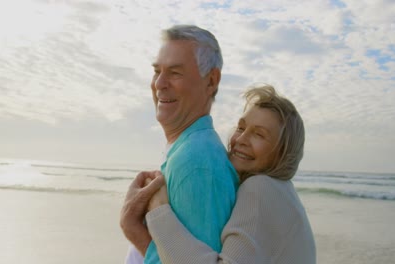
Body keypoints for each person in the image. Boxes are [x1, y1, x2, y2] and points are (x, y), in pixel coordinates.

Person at [127, 84, 316, 263]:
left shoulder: (260, 188)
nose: (241, 139)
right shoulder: (283, 194)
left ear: (283, 153)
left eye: (259, 134)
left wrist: (158, 210)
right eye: (241, 128)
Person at [119, 25, 239, 263]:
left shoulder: (196, 161)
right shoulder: (188, 149)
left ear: (211, 81)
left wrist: (132, 227)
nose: (159, 83)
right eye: (156, 71)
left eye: (175, 72)